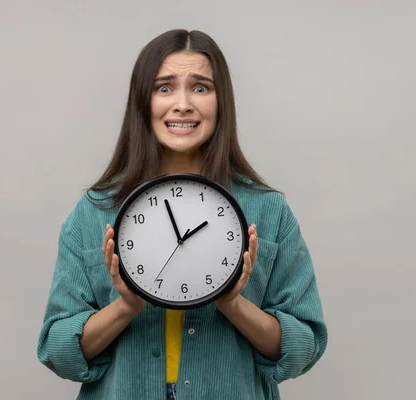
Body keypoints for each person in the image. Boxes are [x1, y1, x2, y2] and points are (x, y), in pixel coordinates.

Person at [37, 29, 328, 400]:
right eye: (164, 88)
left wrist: (233, 304)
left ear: (222, 102)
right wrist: (125, 305)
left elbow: (304, 347)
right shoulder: (94, 211)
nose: (183, 104)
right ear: (143, 101)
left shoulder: (269, 211)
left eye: (201, 88)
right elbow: (58, 350)